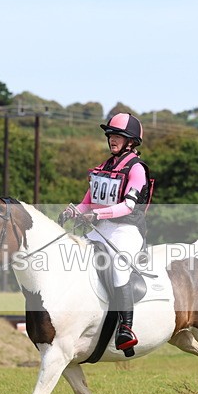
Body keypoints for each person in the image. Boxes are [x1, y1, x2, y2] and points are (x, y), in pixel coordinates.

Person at [58, 113, 154, 357]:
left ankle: (126, 328)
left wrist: (98, 216)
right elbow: (86, 203)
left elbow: (128, 207)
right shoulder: (104, 168)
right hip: (100, 229)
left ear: (130, 141)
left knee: (119, 266)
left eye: (118, 136)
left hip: (126, 229)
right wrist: (72, 211)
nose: (112, 139)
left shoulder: (137, 169)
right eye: (110, 135)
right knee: (74, 257)